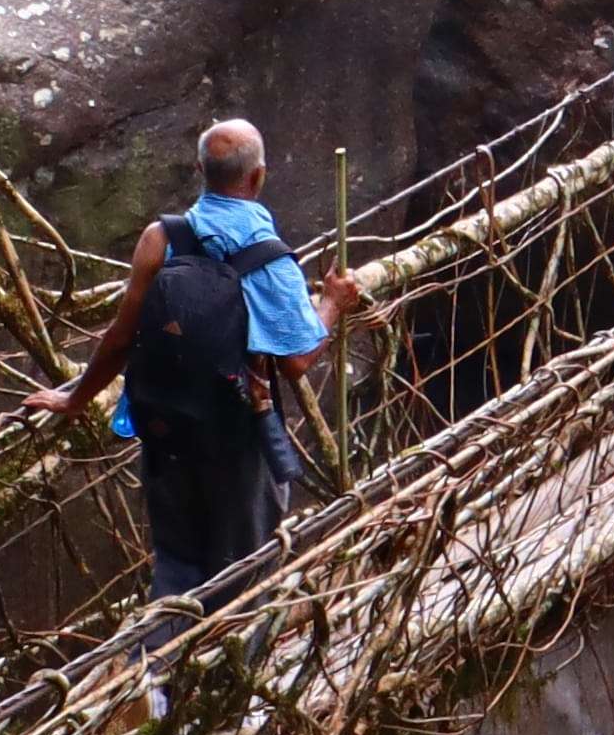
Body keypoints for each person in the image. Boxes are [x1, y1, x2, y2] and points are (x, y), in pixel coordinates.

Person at [33, 117, 372, 596]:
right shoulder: (270, 257)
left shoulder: (160, 239)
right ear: (258, 176)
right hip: (236, 440)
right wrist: (333, 304)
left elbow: (119, 338)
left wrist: (74, 399)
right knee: (243, 571)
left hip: (166, 432)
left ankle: (165, 641)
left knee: (177, 566)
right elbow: (295, 361)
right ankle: (229, 642)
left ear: (200, 170)